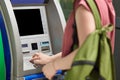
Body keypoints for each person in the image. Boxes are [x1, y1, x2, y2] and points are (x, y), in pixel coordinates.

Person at [30, 0, 115, 79]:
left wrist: (54, 66)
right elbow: (88, 47)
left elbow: (85, 53)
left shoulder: (84, 7)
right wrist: (51, 59)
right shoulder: (102, 2)